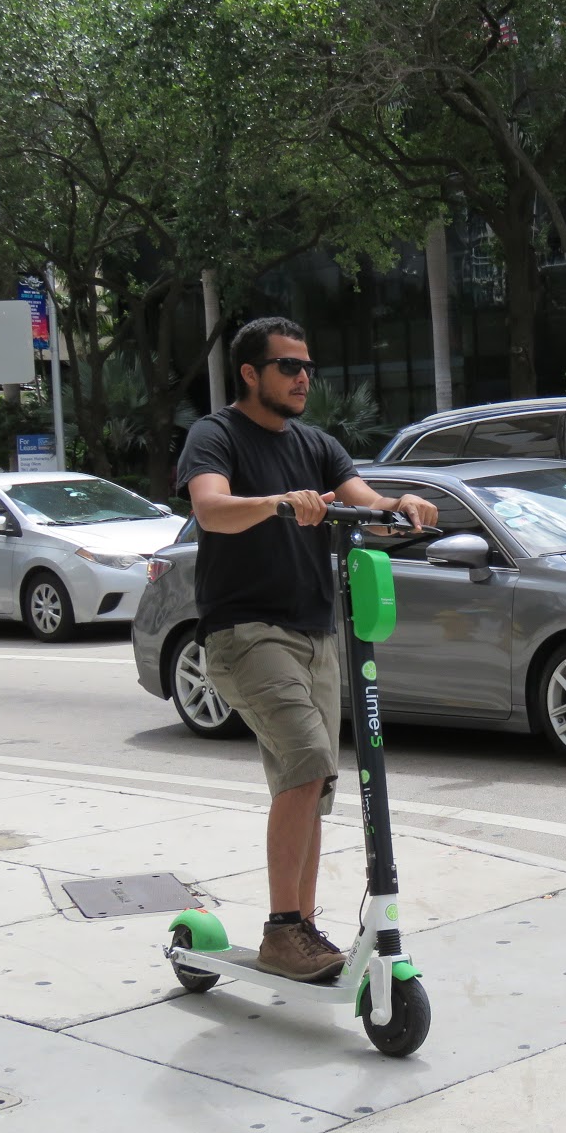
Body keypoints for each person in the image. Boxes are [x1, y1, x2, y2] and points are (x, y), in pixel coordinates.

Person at [177, 316, 438, 982]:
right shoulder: (217, 435)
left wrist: (400, 503)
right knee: (309, 759)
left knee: (311, 781)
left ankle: (299, 925)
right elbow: (211, 508)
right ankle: (282, 931)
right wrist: (277, 504)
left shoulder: (318, 445)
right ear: (250, 373)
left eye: (307, 367)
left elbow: (366, 500)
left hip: (316, 634)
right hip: (245, 632)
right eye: (289, 366)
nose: (303, 378)